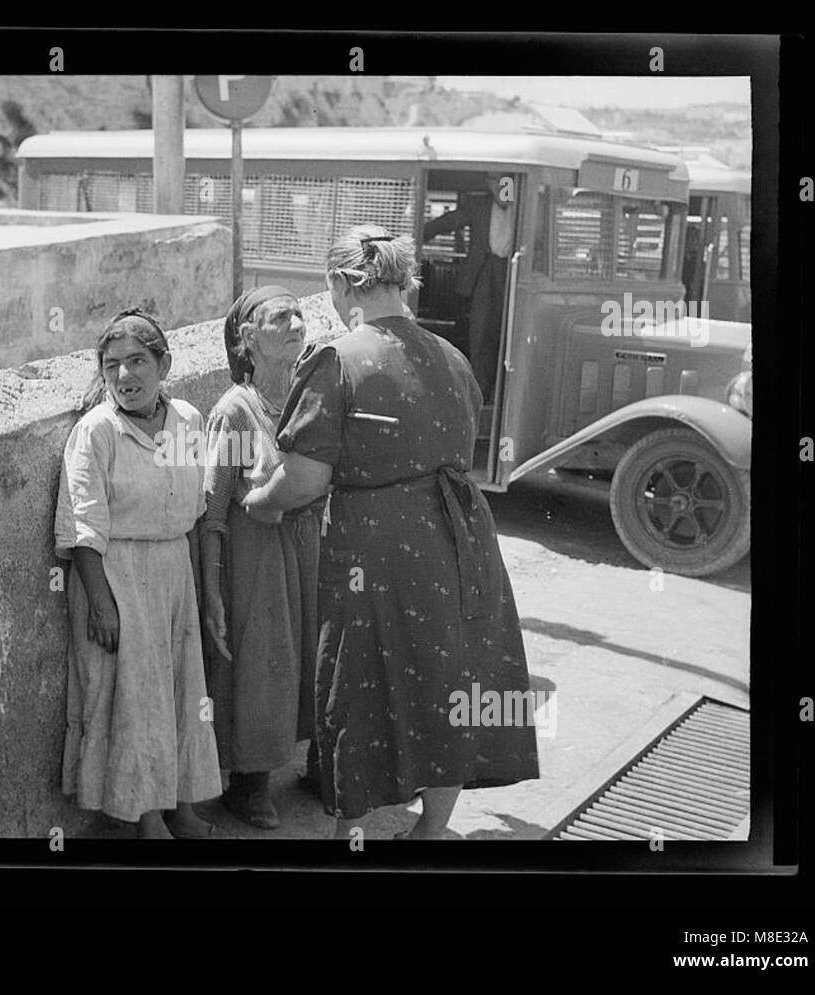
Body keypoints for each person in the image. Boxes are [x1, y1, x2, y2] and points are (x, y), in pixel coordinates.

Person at [242, 224, 539, 839]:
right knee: (448, 678)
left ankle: (349, 829)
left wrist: (261, 504)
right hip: (463, 539)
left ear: (338, 285)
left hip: (376, 550)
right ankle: (429, 833)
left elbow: (303, 480)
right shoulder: (452, 356)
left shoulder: (336, 361)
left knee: (361, 681)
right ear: (404, 284)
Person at [54, 309, 222, 839]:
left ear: (164, 363)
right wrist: (102, 605)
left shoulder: (188, 422)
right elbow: (82, 528)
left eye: (137, 361)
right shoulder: (97, 432)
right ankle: (147, 818)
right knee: (137, 699)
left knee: (182, 688)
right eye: (112, 366)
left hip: (173, 570)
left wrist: (199, 590)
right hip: (117, 575)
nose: (125, 376)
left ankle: (184, 807)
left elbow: (194, 511)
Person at [201, 287, 323, 830]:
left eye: (300, 314)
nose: (297, 322)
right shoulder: (234, 412)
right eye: (281, 317)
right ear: (248, 340)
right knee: (261, 666)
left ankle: (310, 765)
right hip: (256, 560)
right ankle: (247, 785)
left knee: (305, 654)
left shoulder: (306, 395)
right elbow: (212, 510)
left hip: (303, 551)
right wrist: (211, 591)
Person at [419, 172, 517, 403]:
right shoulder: (479, 205)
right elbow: (448, 222)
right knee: (480, 333)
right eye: (494, 181)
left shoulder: (527, 207)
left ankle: (501, 395)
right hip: (483, 274)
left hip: (512, 275)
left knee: (510, 335)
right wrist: (416, 235)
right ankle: (479, 393)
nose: (499, 185)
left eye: (504, 180)